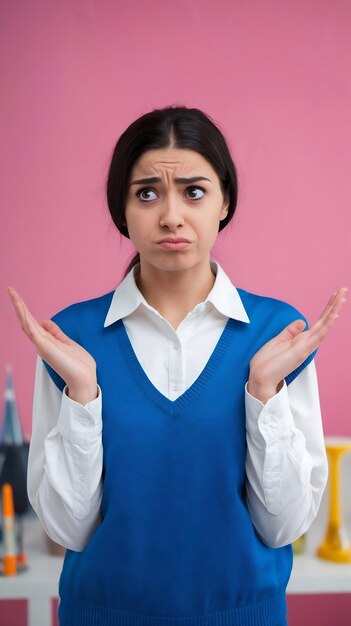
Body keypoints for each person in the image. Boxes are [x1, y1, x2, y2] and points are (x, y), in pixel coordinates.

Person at [8, 105, 347, 626]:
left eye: (194, 191)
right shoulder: (70, 339)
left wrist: (263, 392)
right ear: (121, 207)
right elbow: (67, 530)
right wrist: (81, 394)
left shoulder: (278, 336)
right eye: (147, 193)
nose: (171, 215)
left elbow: (282, 526)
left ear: (224, 202)